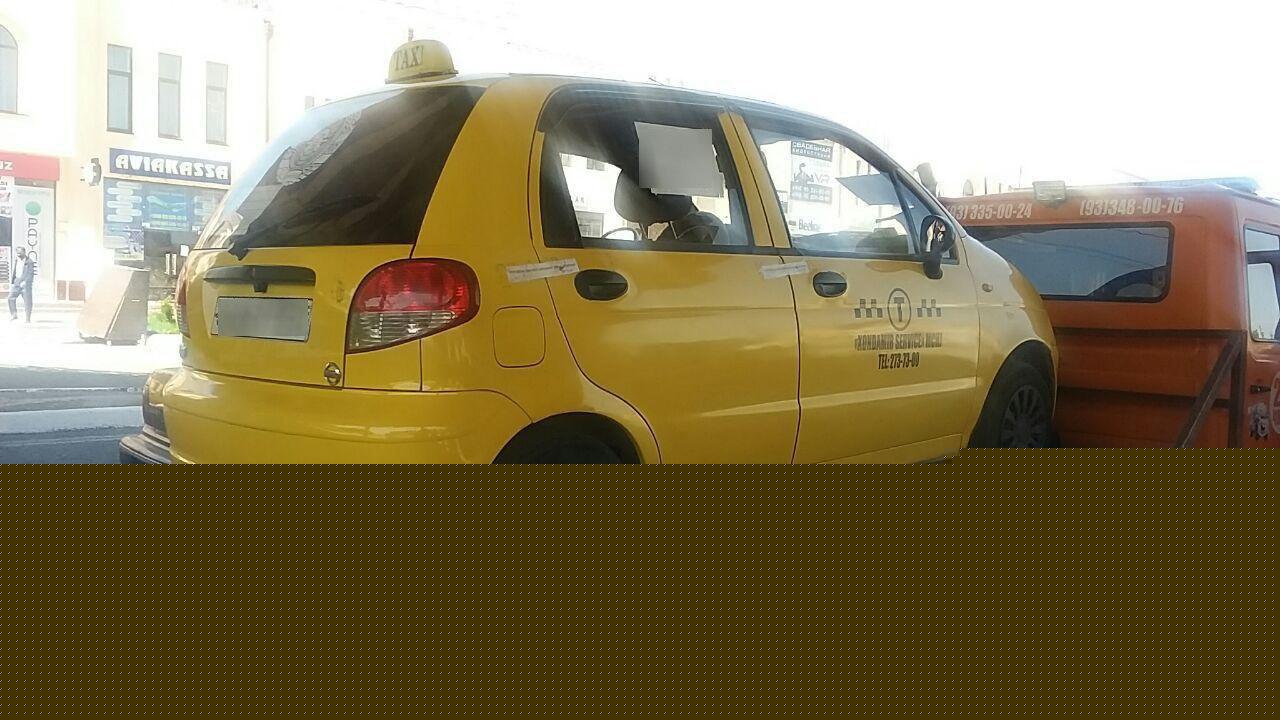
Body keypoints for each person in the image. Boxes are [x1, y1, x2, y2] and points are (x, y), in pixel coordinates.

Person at [8, 247, 35, 323]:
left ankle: (27, 319)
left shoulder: (29, 262)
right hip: (17, 282)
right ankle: (14, 314)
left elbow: (30, 273)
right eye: (17, 253)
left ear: (24, 252)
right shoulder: (17, 260)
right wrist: (13, 281)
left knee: (27, 301)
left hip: (25, 284)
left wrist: (25, 282)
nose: (18, 254)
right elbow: (15, 271)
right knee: (10, 297)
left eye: (20, 253)